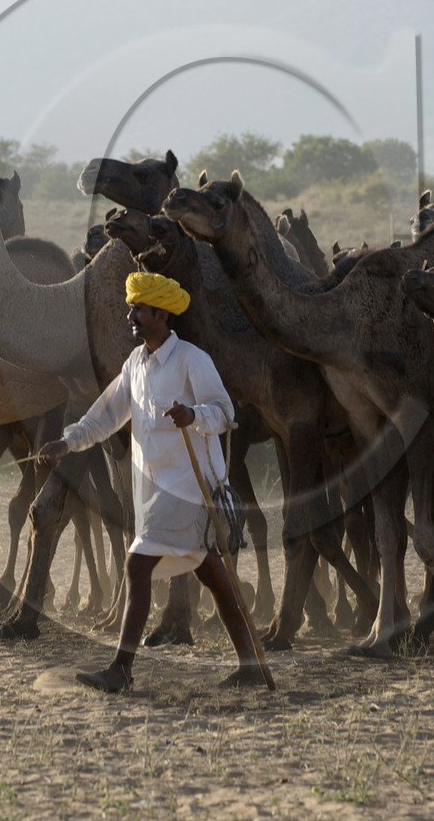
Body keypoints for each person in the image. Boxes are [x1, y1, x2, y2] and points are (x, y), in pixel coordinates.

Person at [39, 272, 265, 693]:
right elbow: (104, 417)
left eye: (138, 309)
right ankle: (251, 664)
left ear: (161, 313)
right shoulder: (134, 365)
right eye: (132, 308)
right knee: (212, 573)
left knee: (137, 564)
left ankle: (121, 669)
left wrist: (194, 416)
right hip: (155, 492)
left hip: (191, 489)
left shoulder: (191, 360)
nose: (132, 316)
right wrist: (66, 444)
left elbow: (225, 412)